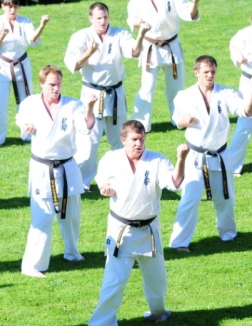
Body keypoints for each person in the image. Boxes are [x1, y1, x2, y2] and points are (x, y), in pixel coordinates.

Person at [88, 120, 188, 326]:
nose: (139, 143)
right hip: (121, 231)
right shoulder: (111, 159)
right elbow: (102, 181)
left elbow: (174, 183)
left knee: (157, 278)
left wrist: (181, 159)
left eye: (142, 139)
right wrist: (105, 188)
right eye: (134, 139)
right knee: (115, 280)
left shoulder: (157, 160)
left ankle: (158, 312)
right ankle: (100, 325)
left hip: (149, 230)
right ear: (123, 139)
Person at [16, 65, 96, 278]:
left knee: (71, 216)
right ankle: (32, 265)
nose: (56, 88)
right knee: (42, 218)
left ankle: (72, 252)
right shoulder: (30, 104)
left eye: (59, 84)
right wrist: (26, 126)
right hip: (42, 168)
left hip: (67, 166)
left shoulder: (72, 105)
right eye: (51, 84)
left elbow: (85, 127)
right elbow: (21, 120)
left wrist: (89, 107)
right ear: (42, 83)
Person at [169, 55, 252, 252]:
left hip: (220, 155)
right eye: (206, 72)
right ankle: (179, 243)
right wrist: (185, 121)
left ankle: (228, 234)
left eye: (213, 71)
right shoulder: (184, 95)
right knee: (190, 198)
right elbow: (176, 120)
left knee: (226, 198)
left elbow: (245, 111)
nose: (210, 75)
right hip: (195, 156)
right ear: (196, 72)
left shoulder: (225, 93)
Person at [64, 2, 149, 189]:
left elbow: (134, 52)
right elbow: (73, 65)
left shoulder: (119, 34)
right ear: (90, 18)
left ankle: (123, 178)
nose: (102, 22)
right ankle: (81, 183)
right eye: (98, 18)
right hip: (92, 95)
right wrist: (89, 52)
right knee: (89, 143)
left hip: (115, 94)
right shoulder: (81, 37)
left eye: (105, 17)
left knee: (120, 140)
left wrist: (141, 35)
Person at [0, 0, 49, 146]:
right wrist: (2, 36)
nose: (12, 10)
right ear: (3, 6)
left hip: (22, 64)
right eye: (9, 6)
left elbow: (32, 39)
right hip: (2, 66)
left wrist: (42, 25)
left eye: (15, 6)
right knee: (0, 103)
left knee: (28, 101)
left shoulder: (25, 21)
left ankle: (30, 134)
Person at [127, 0, 200, 132]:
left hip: (171, 47)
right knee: (147, 87)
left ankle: (180, 119)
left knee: (176, 87)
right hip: (150, 47)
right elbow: (131, 19)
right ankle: (140, 123)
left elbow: (188, 13)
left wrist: (195, 3)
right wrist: (139, 22)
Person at [228, 14, 252, 176]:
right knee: (245, 124)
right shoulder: (243, 35)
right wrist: (239, 58)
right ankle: (232, 165)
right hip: (249, 82)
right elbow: (234, 51)